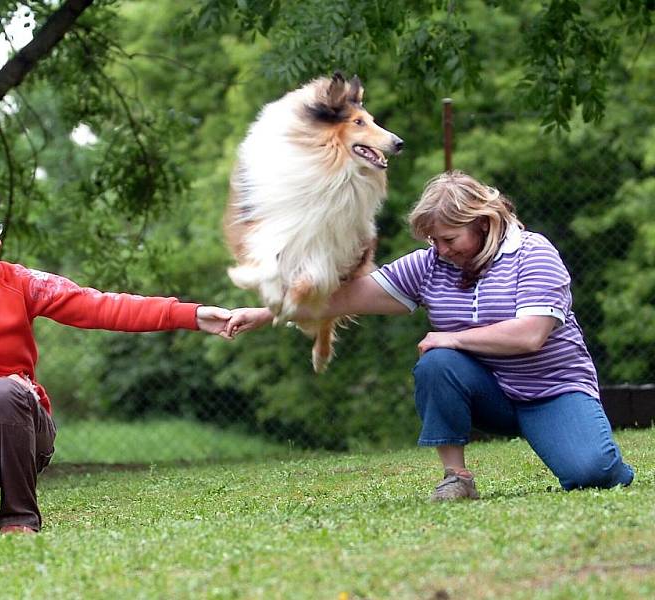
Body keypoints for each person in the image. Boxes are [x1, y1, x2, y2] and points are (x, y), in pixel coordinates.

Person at [226, 170, 634, 500]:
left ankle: (595, 454)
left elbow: (530, 335)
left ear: (482, 224)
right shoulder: (429, 265)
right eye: (432, 240)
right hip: (487, 393)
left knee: (593, 475)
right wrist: (266, 312)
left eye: (448, 239)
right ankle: (456, 478)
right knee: (437, 364)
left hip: (551, 391)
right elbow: (346, 297)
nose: (439, 249)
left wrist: (453, 337)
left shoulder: (533, 253)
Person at [0, 174, 234, 535]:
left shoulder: (17, 283)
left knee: (4, 393)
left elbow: (99, 306)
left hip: (22, 424)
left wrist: (191, 315)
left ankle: (19, 520)